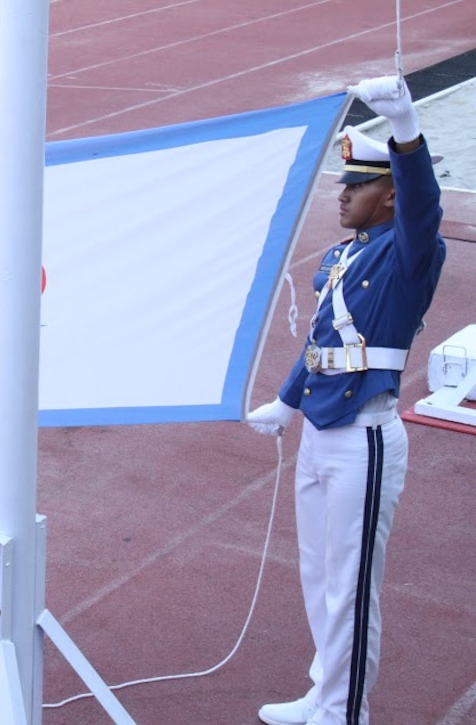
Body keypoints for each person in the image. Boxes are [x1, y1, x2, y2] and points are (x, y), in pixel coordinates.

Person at [246, 74, 446, 725]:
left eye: (357, 186)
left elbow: (426, 209)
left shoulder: (410, 254)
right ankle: (325, 688)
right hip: (320, 430)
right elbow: (325, 343)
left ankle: (346, 711)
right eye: (343, 184)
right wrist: (286, 400)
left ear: (390, 195)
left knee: (353, 589)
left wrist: (407, 134)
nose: (343, 195)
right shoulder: (340, 257)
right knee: (319, 575)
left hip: (365, 435)